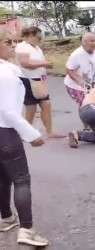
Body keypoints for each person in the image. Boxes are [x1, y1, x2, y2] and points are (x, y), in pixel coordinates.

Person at [0, 26, 49, 247]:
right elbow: (8, 112)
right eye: (8, 42)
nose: (13, 46)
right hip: (5, 133)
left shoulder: (8, 70)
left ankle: (6, 218)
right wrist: (31, 134)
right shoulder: (5, 75)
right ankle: (27, 230)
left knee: (2, 178)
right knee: (21, 180)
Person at [15, 26, 63, 138]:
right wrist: (44, 64)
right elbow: (25, 64)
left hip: (39, 80)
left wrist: (45, 65)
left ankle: (49, 131)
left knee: (46, 104)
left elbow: (37, 62)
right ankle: (26, 132)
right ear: (31, 36)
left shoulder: (35, 47)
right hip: (28, 80)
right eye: (38, 37)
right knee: (31, 108)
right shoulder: (22, 47)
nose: (39, 40)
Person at [65, 32, 95, 128]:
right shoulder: (76, 54)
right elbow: (69, 70)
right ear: (84, 42)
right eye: (92, 41)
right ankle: (86, 126)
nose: (94, 43)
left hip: (92, 83)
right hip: (75, 85)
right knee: (84, 103)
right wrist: (81, 81)